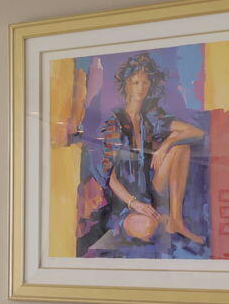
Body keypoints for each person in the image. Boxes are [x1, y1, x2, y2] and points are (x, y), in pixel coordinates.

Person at [79, 52, 206, 256]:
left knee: (181, 147)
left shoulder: (151, 119)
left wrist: (167, 143)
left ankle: (175, 220)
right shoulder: (114, 123)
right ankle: (153, 221)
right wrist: (134, 203)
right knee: (147, 227)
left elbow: (196, 132)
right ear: (126, 85)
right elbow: (111, 180)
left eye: (145, 83)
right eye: (136, 82)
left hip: (150, 188)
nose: (141, 88)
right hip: (124, 201)